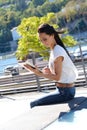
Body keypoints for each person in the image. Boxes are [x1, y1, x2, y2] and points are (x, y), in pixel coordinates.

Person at [23, 23, 78, 108]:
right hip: (63, 90)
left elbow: (57, 77)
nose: (43, 43)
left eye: (45, 39)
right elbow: (59, 74)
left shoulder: (57, 51)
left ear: (52, 35)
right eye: (41, 40)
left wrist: (38, 72)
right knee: (34, 103)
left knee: (33, 103)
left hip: (65, 92)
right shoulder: (54, 50)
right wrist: (49, 71)